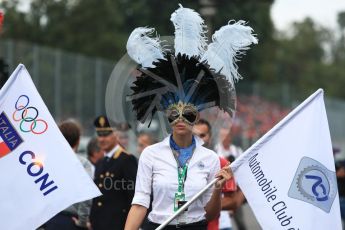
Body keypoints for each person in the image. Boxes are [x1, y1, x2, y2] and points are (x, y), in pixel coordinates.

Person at [123, 5, 256, 229]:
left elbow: (211, 212)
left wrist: (216, 188)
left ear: (196, 117)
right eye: (174, 113)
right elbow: (140, 203)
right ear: (167, 115)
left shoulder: (211, 159)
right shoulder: (151, 155)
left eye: (189, 114)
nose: (181, 119)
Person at [194, 119, 244, 230]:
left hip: (215, 225)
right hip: (178, 224)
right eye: (194, 135)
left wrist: (201, 207)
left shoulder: (221, 162)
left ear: (210, 137)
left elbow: (232, 201)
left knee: (241, 223)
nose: (198, 139)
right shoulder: (177, 162)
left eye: (202, 135)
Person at [90, 115, 138, 230]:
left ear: (116, 135)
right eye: (99, 135)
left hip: (118, 224)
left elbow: (133, 196)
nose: (102, 139)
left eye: (106, 134)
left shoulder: (126, 160)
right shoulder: (100, 162)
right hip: (98, 224)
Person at [45, 120, 94, 230]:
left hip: (50, 219)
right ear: (78, 141)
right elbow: (86, 196)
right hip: (71, 221)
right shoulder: (83, 164)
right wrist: (82, 221)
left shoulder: (48, 162)